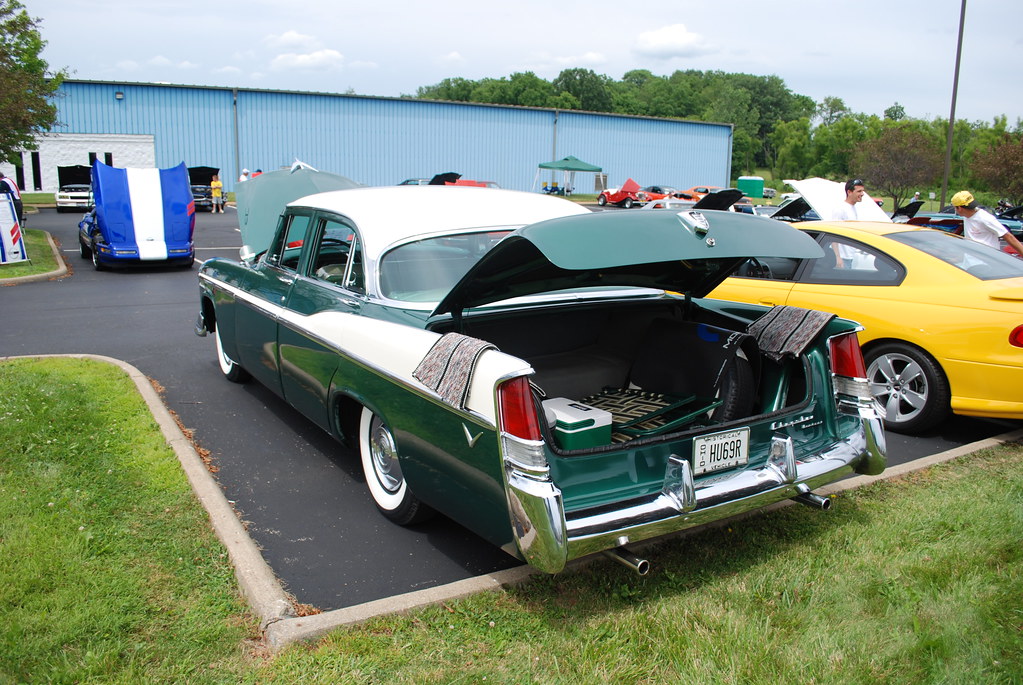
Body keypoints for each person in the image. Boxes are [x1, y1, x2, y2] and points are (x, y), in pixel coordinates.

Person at [951, 190, 1023, 254]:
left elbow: (1008, 236)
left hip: (986, 261)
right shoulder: (966, 216)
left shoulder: (985, 218)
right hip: (970, 260)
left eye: (955, 207)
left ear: (959, 208)